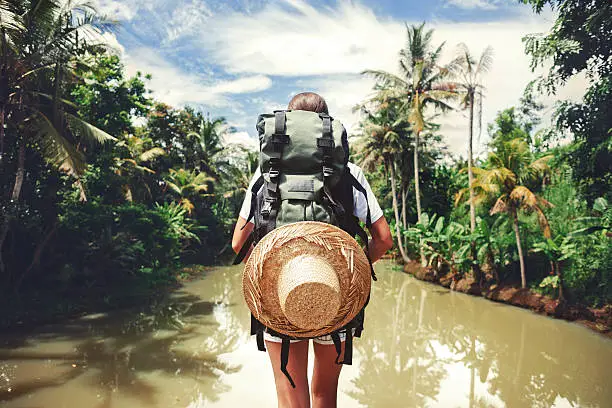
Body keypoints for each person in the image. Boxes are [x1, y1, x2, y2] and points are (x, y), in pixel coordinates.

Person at [232, 92, 393, 408]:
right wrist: (354, 271)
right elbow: (384, 239)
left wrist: (268, 277)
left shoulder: (266, 176)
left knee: (289, 395)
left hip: (279, 298)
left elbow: (238, 242)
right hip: (335, 299)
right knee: (324, 394)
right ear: (326, 128)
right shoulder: (349, 173)